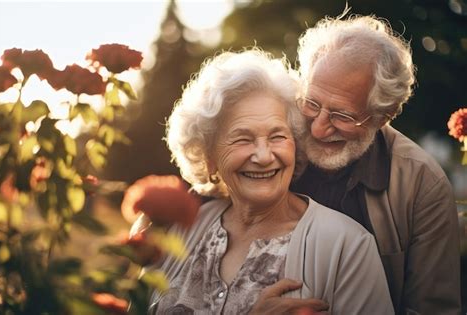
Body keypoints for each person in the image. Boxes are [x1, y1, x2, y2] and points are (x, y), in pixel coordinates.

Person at [132, 48, 394, 315]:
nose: (264, 156)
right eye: (243, 139)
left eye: (277, 136)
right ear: (208, 155)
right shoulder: (179, 228)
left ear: (295, 144)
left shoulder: (347, 247)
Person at [291, 13, 461, 314]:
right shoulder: (274, 147)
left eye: (342, 116)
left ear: (383, 116)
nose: (318, 128)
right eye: (312, 103)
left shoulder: (423, 185)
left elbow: (431, 309)